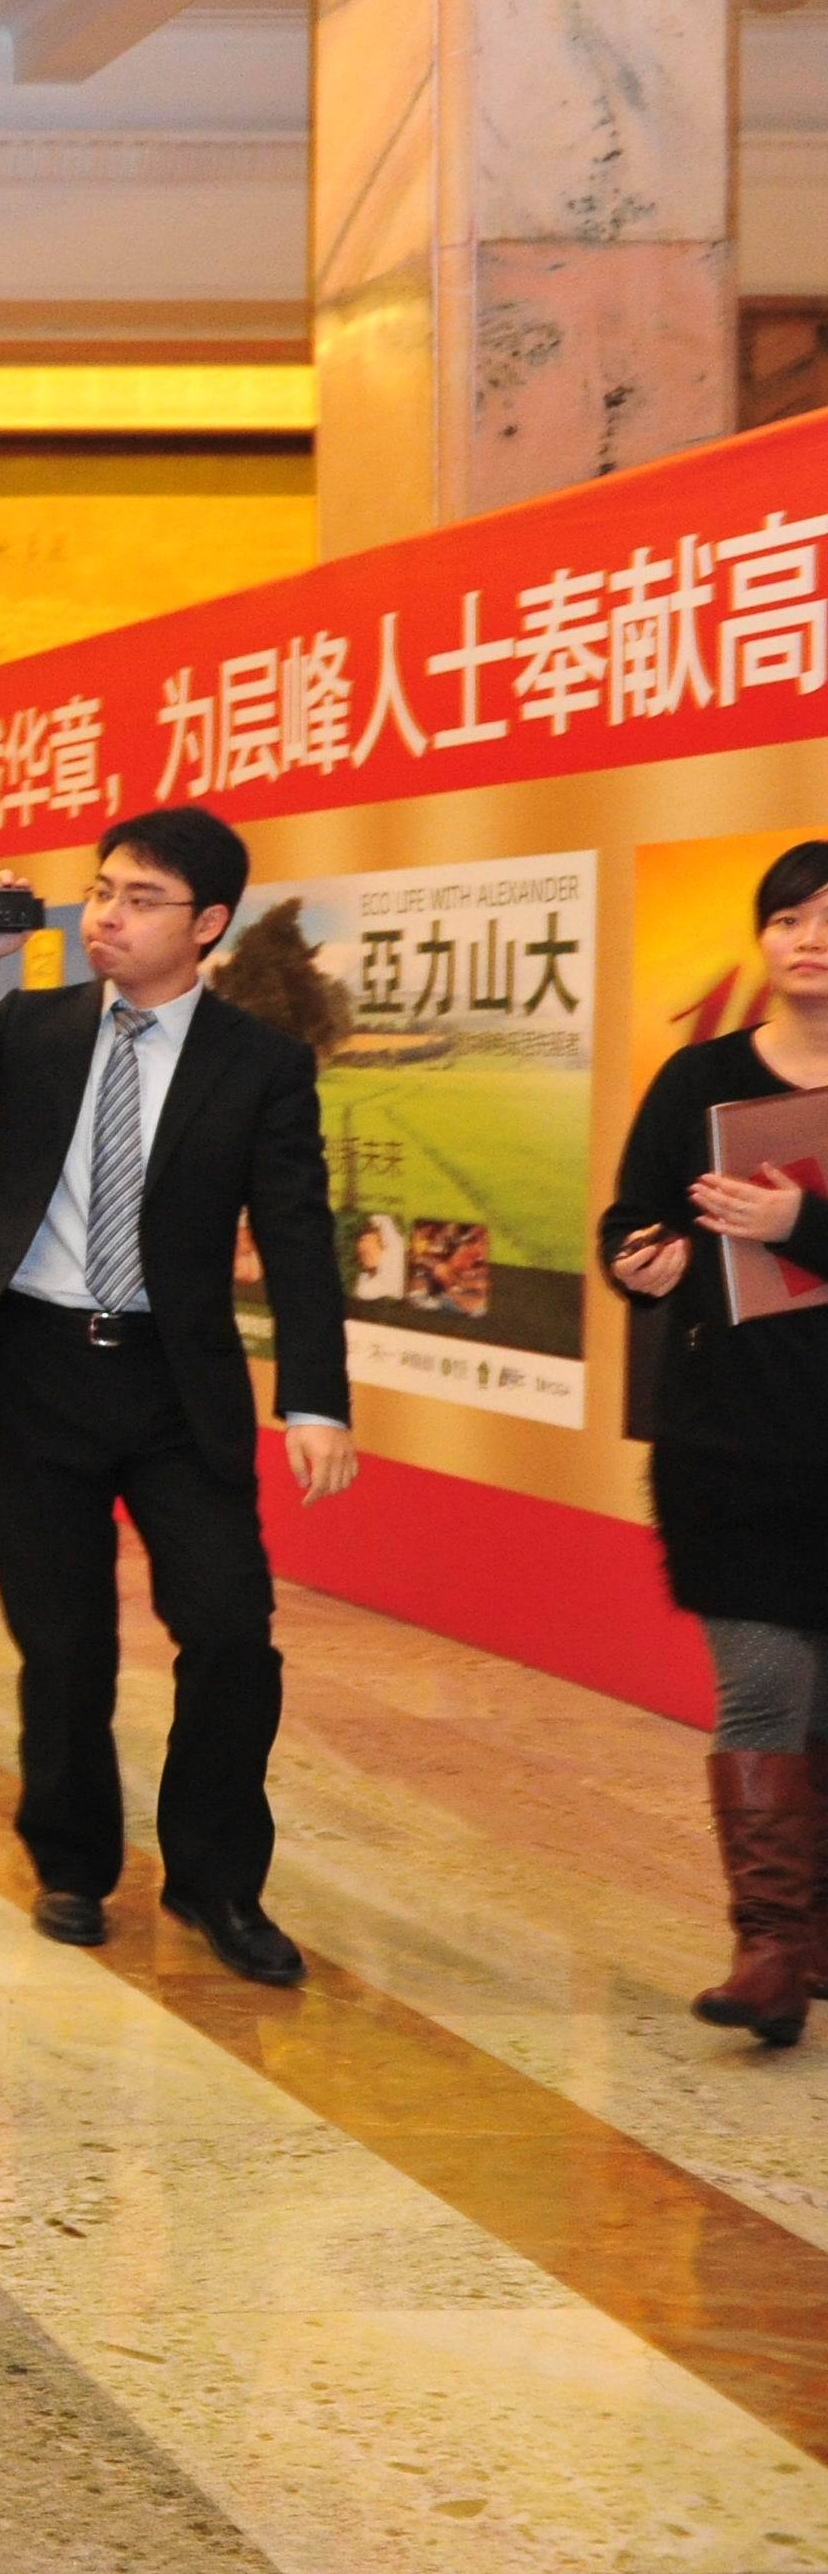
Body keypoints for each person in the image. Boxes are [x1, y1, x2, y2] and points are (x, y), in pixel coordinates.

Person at [0, 811, 357, 1992]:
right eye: (99, 891)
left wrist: (314, 1399)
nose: (106, 916)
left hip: (172, 1384)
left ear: (206, 923)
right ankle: (72, 1863)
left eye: (139, 899)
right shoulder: (36, 1027)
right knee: (63, 1645)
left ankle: (214, 1879)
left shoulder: (257, 1062)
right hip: (32, 1372)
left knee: (229, 1629)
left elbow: (296, 1235)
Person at [600, 837, 828, 2046]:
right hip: (726, 1444)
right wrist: (638, 1261)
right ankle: (768, 1949)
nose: (807, 940)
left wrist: (801, 1223)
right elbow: (628, 1219)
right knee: (762, 1686)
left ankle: (813, 1933)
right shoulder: (697, 1080)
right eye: (787, 918)